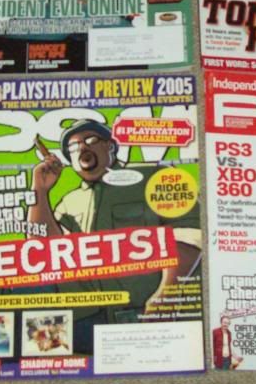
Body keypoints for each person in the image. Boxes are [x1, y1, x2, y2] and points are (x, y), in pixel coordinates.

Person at [26, 120, 202, 351]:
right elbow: (41, 252)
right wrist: (40, 189)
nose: (82, 148)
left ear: (110, 146)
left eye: (90, 140)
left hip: (145, 312)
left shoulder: (153, 175)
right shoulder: (69, 202)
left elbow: (188, 234)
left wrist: (165, 297)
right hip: (87, 322)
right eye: (73, 147)